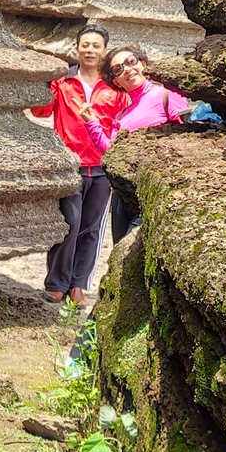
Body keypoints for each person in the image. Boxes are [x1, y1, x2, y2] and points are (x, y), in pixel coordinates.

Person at [24, 24, 125, 305]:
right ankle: (57, 282)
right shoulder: (63, 82)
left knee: (92, 228)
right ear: (77, 48)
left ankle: (79, 284)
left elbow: (123, 122)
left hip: (103, 167)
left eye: (96, 46)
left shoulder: (115, 87)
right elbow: (40, 110)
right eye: (85, 45)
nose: (90, 50)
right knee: (68, 223)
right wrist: (40, 79)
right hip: (69, 164)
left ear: (105, 51)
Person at [81, 44, 193, 242]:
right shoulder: (123, 114)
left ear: (142, 63)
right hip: (123, 194)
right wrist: (92, 123)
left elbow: (189, 139)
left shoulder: (166, 95)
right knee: (121, 257)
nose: (127, 70)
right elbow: (110, 153)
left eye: (131, 62)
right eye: (118, 69)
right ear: (115, 81)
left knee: (133, 247)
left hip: (154, 188)